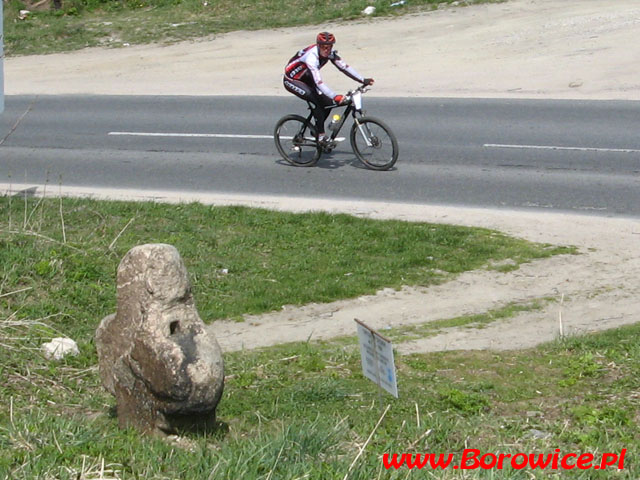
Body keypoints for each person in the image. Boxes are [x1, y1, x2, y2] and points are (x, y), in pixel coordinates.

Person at [283, 32, 374, 146]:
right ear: (318, 45)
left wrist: (362, 80)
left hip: (306, 76)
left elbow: (344, 67)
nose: (327, 50)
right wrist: (335, 96)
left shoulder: (329, 53)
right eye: (324, 47)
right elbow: (318, 82)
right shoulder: (312, 57)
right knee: (316, 101)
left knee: (328, 103)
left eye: (329, 47)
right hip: (292, 80)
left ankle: (316, 129)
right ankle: (320, 136)